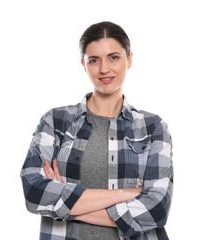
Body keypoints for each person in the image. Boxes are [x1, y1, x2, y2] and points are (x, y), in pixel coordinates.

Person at [20, 21, 173, 240]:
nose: (104, 69)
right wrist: (125, 194)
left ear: (129, 59)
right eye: (94, 60)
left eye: (114, 57)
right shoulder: (55, 122)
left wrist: (64, 205)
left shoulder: (153, 127)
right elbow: (34, 193)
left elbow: (157, 208)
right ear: (83, 64)